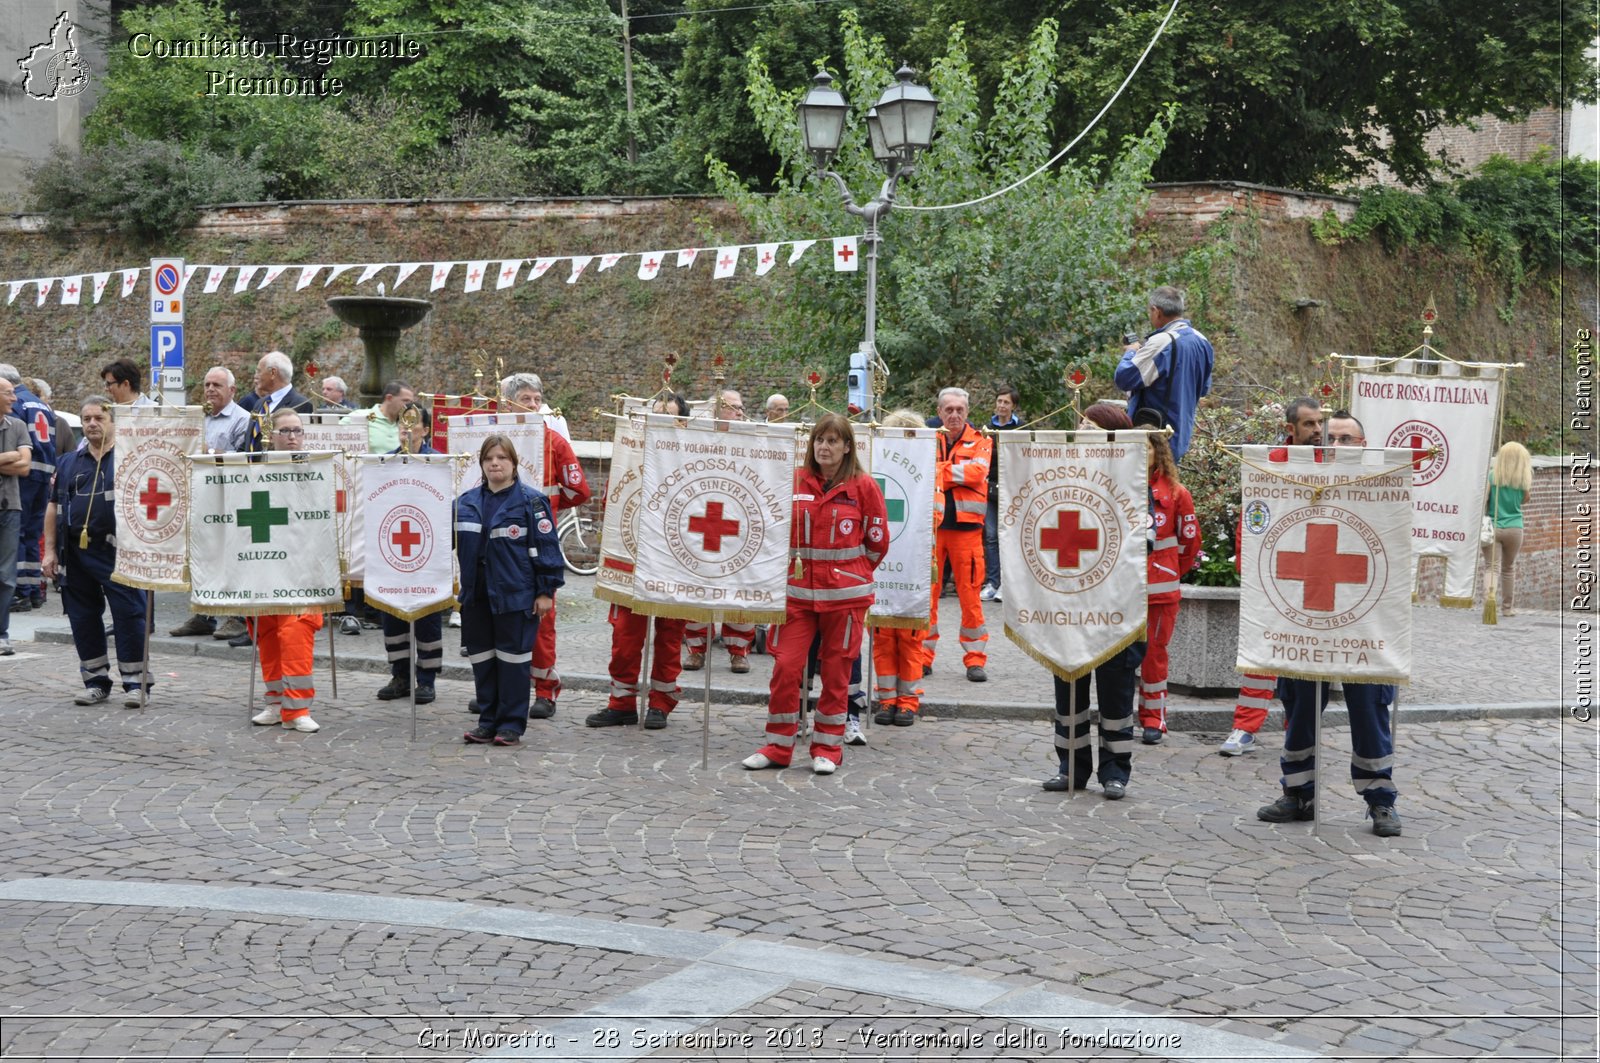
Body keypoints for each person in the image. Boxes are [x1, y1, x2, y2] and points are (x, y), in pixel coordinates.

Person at [1256, 410, 1402, 838]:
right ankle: (1298, 793)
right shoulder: (1296, 482)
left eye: (1346, 439)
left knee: (1369, 712)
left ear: (1363, 446)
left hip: (1364, 620)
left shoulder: (1386, 489)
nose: (1335, 445)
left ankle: (1380, 801)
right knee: (1300, 709)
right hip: (1307, 616)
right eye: (1330, 438)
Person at [744, 413, 887, 774]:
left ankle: (827, 748)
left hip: (845, 598)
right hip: (798, 596)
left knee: (837, 673)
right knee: (786, 667)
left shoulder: (863, 486)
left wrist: (850, 573)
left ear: (847, 447)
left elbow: (876, 543)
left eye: (833, 441)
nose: (824, 447)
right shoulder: (793, 481)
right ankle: (778, 746)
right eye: (819, 440)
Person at [1040, 403, 1144, 800]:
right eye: (1081, 424)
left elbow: (1144, 545)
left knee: (1116, 693)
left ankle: (1115, 772)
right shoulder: (1060, 475)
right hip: (1069, 603)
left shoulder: (1134, 480)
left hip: (1118, 606)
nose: (1082, 429)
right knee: (1068, 692)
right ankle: (1071, 767)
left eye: (1092, 425)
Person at [1219, 396, 1323, 755]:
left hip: (1318, 575)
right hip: (1274, 572)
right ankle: (1245, 727)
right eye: (1309, 424)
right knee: (1261, 653)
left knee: (1307, 659)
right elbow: (1252, 517)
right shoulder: (1269, 466)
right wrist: (1248, 567)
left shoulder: (1335, 466)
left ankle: (1300, 729)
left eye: (1320, 423)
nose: (1318, 431)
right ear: (1290, 429)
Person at [588, 393, 692, 730]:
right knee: (625, 639)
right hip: (631, 562)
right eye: (656, 413)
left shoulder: (694, 457)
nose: (660, 420)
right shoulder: (629, 455)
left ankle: (661, 703)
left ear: (682, 423)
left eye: (668, 415)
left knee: (669, 638)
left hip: (673, 563)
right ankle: (621, 703)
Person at [41, 397, 151, 707]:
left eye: (99, 417)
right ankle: (95, 681)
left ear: (113, 421)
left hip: (118, 551)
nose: (91, 423)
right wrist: (49, 551)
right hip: (74, 553)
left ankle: (135, 684)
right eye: (86, 418)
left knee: (130, 614)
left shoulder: (131, 458)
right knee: (82, 617)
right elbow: (53, 507)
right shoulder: (67, 463)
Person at [456, 434, 564, 746]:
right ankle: (487, 721)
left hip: (515, 597)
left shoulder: (532, 502)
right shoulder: (465, 503)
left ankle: (511, 725)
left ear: (513, 464)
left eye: (502, 458)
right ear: (482, 464)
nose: (495, 463)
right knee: (484, 662)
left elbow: (548, 550)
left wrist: (545, 592)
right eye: (489, 458)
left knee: (514, 663)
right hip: (476, 597)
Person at [499, 372, 591, 719]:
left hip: (539, 546)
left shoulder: (554, 441)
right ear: (508, 402)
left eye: (538, 400)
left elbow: (579, 489)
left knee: (542, 621)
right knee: (500, 620)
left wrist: (548, 513)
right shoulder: (492, 443)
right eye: (526, 399)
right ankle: (503, 692)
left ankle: (545, 692)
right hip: (500, 548)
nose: (535, 405)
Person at [246, 409, 326, 733]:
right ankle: (275, 702)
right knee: (266, 634)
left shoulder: (316, 471)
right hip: (265, 566)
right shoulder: (255, 471)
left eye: (297, 431)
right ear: (271, 435)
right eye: (285, 431)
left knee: (295, 633)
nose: (292, 436)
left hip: (303, 569)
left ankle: (298, 708)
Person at [170, 367, 255, 639]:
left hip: (230, 498)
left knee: (232, 557)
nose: (209, 389)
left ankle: (237, 616)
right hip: (200, 497)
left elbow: (248, 459)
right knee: (203, 556)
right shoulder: (197, 418)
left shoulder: (243, 419)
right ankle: (203, 614)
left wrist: (213, 453)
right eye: (206, 384)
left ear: (232, 390)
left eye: (217, 384)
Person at [373, 405, 445, 705]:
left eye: (413, 424)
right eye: (402, 423)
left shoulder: (439, 463)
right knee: (392, 617)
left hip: (427, 552)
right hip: (392, 549)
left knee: (427, 618)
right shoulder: (383, 463)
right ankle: (400, 675)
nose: (406, 429)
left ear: (425, 430)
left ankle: (426, 680)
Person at [683, 388, 758, 674]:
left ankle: (739, 650)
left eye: (741, 407)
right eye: (733, 407)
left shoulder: (751, 438)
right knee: (698, 584)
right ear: (717, 409)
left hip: (737, 520)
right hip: (704, 514)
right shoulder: (696, 438)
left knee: (739, 587)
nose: (740, 411)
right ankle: (696, 648)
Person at [1136, 415, 1200, 743]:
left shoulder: (1176, 493)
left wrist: (1169, 570)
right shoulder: (1116, 487)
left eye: (1144, 448)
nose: (1138, 454)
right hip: (1124, 591)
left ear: (1157, 452)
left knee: (1154, 655)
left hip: (1160, 591)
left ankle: (1153, 718)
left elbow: (1189, 544)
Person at [870, 409, 932, 733]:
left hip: (912, 567)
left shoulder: (929, 473)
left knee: (910, 638)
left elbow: (932, 516)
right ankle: (886, 698)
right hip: (884, 564)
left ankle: (908, 701)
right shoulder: (877, 467)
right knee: (882, 635)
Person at [925, 386, 992, 683]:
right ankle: (923, 657)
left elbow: (977, 472)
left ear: (967, 412)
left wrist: (939, 471)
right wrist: (954, 470)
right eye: (948, 410)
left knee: (971, 598)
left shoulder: (982, 441)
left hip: (967, 531)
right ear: (939, 412)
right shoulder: (928, 440)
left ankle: (975, 660)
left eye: (959, 410)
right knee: (928, 597)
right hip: (933, 529)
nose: (954, 415)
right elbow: (923, 470)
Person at [1114, 285, 1213, 460]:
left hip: (1153, 437)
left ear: (1156, 311)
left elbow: (1124, 378)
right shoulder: (1202, 340)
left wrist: (1131, 351)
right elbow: (1203, 388)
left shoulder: (1161, 342)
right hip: (1181, 434)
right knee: (1167, 484)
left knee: (1145, 485)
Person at [0, 365, 56, 615]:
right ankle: (34, 590)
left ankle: (19, 594)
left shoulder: (19, 404)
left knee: (19, 534)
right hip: (44, 473)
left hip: (24, 473)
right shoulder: (42, 405)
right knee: (33, 534)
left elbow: (14, 439)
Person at [980, 384, 1021, 604]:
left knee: (1011, 538)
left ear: (1013, 406)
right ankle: (992, 582)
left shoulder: (1022, 428)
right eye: (999, 401)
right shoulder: (986, 428)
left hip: (1014, 490)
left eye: (1006, 402)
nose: (1001, 406)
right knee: (991, 536)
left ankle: (1009, 583)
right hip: (990, 489)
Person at [1483, 441, 1533, 617]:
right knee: (1508, 568)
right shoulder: (1523, 480)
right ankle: (1507, 608)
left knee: (1491, 567)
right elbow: (1524, 500)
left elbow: (1484, 498)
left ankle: (1489, 604)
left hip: (1493, 526)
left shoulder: (1491, 476)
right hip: (1515, 528)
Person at [0, 378, 31, 656]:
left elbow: (24, 467)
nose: (14, 398)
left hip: (10, 507)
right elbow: (16, 460)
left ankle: (1, 634)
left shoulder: (18, 426)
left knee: (6, 575)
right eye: (9, 394)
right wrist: (8, 456)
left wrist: (12, 457)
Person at [239, 351, 315, 451]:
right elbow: (249, 441)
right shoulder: (260, 403)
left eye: (259, 371)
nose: (256, 376)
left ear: (273, 373)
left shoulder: (302, 404)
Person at [341, 380, 413, 455]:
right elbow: (333, 440)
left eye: (411, 402)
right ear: (389, 398)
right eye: (406, 401)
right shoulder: (359, 416)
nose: (410, 406)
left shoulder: (408, 425)